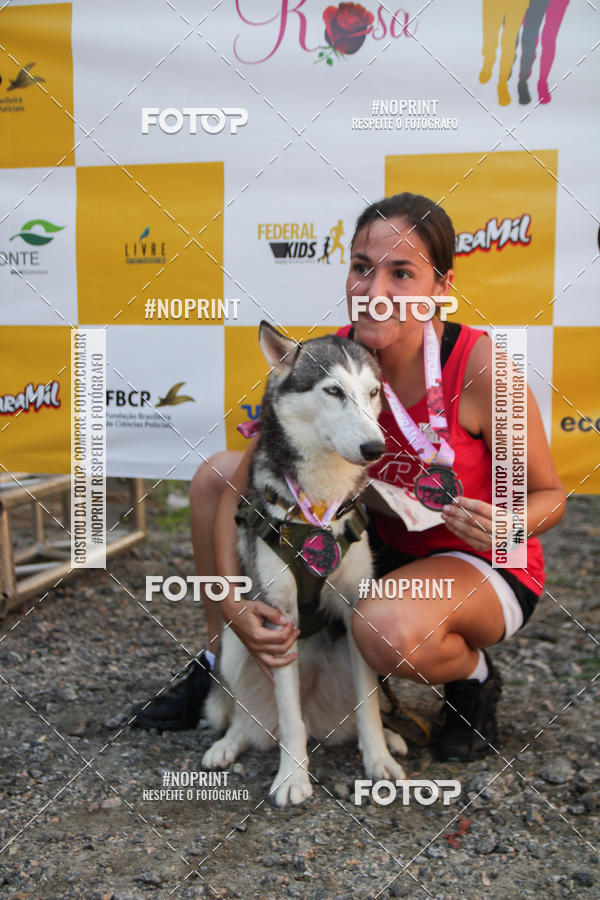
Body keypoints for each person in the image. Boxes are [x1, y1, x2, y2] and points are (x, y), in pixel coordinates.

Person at [132, 192, 566, 762]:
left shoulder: (481, 368)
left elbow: (551, 495)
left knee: (384, 628)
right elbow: (238, 481)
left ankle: (473, 679)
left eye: (402, 273)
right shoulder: (335, 355)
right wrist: (234, 602)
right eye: (362, 268)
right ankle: (222, 662)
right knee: (213, 476)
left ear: (442, 286)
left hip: (476, 557)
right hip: (380, 541)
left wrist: (510, 522)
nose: (375, 293)